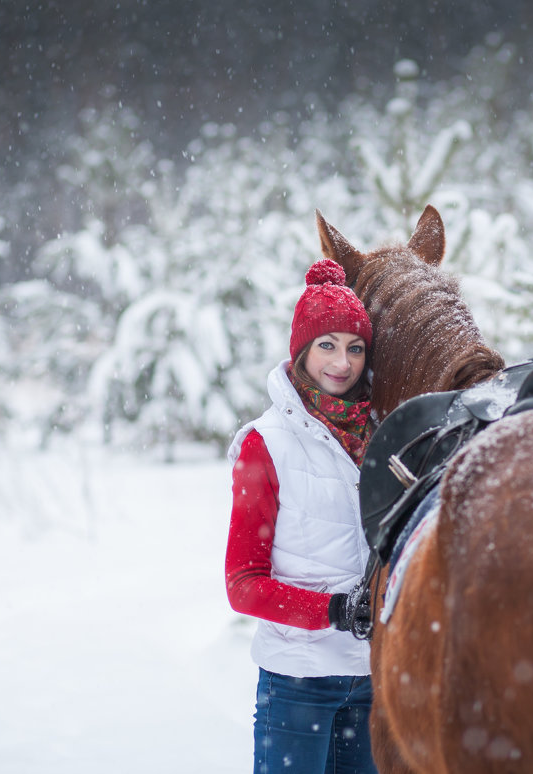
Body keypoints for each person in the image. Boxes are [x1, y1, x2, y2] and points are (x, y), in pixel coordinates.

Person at [224, 257, 379, 774]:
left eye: (355, 347)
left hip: (371, 681)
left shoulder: (379, 437)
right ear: (302, 351)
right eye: (327, 345)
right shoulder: (265, 444)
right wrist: (334, 612)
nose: (343, 362)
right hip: (297, 685)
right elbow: (242, 584)